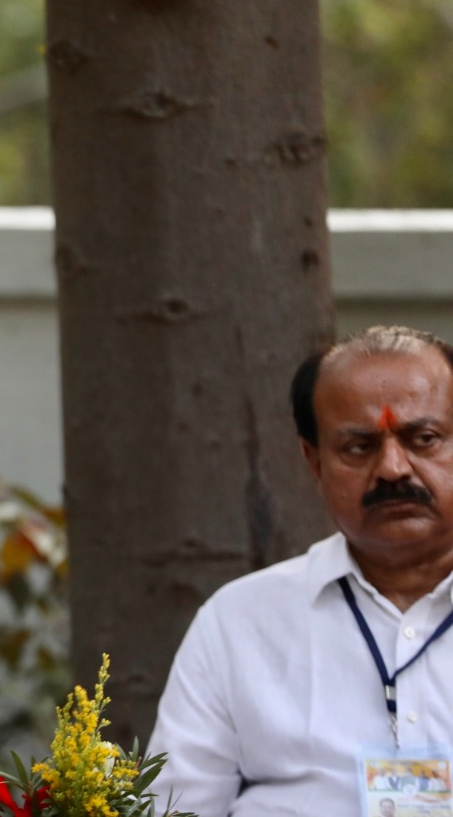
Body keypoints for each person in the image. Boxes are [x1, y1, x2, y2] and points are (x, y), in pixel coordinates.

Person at [149, 325, 453, 817]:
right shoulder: (239, 622)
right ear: (314, 462)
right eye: (359, 447)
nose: (393, 468)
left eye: (424, 438)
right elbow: (176, 809)